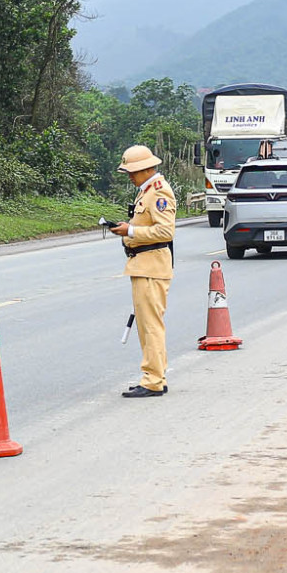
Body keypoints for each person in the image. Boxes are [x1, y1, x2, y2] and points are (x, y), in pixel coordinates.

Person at [110, 144, 177, 397]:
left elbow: (165, 231)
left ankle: (153, 380)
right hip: (144, 264)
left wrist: (130, 231)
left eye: (133, 171)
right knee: (147, 326)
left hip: (152, 266)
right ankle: (156, 374)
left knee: (151, 326)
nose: (129, 175)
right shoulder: (146, 191)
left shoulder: (159, 192)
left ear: (147, 168)